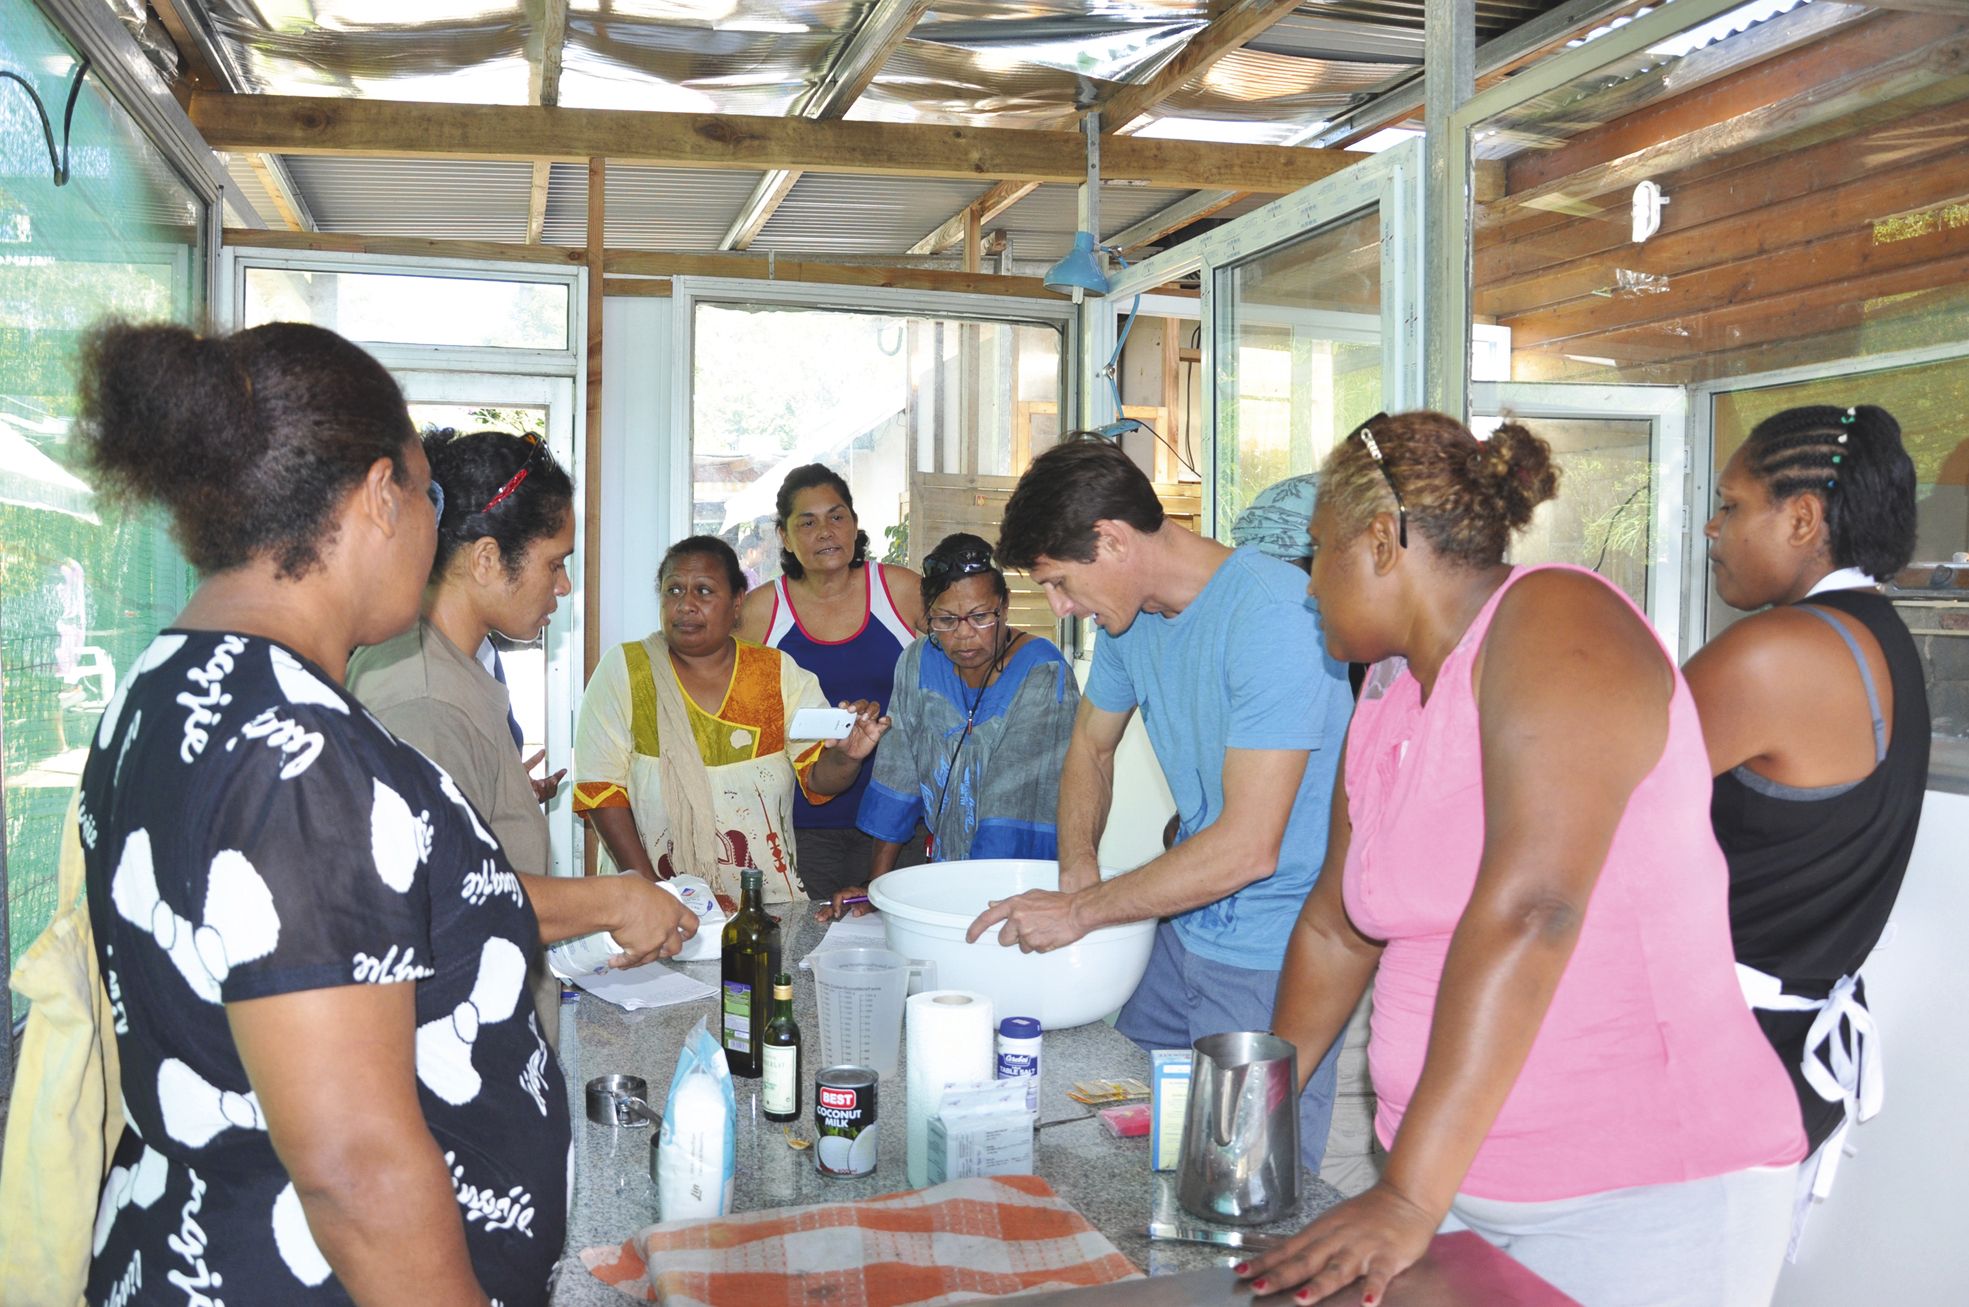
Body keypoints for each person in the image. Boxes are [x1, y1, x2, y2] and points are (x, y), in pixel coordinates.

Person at [72, 320, 697, 1306]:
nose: (431, 526)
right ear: (377, 495)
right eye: (427, 492)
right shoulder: (296, 751)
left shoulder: (168, 682)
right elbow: (354, 1164)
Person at [1244, 411, 1805, 1307]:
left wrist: (1404, 1193)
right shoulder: (1390, 690)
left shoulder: (1554, 619)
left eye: (1318, 552)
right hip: (1458, 1187)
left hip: (1640, 1194)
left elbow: (1536, 905)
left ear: (1382, 541)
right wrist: (1251, 1114)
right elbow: (1336, 925)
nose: (1308, 585)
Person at [970, 436, 1357, 1175]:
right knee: (1107, 1137)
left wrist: (1081, 914)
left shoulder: (1273, 618)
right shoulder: (1131, 617)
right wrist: (1077, 873)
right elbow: (1089, 746)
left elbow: (1248, 847)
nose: (1059, 607)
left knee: (1243, 1185)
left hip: (1274, 954)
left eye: (1058, 582)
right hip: (1182, 928)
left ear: (1112, 540)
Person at [1684, 404, 1928, 1239]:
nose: (1711, 529)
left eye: (1730, 505)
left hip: (1712, 1075)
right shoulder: (1885, 637)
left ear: (1800, 516)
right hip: (1790, 1065)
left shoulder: (1775, 653)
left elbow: (1581, 802)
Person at [349, 427, 577, 1047]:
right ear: (485, 561)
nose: (564, 588)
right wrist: (617, 901)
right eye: (554, 564)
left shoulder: (451, 666)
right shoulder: (423, 697)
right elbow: (445, 898)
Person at [576, 535, 888, 907]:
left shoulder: (776, 673)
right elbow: (601, 790)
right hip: (647, 900)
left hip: (763, 901)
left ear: (737, 601)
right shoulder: (625, 670)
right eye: (673, 590)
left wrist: (847, 757)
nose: (686, 605)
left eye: (704, 591)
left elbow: (820, 781)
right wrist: (655, 893)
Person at [820, 533, 1081, 921]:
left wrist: (960, 905)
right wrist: (877, 887)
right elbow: (898, 775)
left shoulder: (1042, 673)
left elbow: (1011, 806)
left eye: (980, 617)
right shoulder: (917, 662)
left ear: (1005, 608)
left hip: (1019, 893)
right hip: (948, 882)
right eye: (944, 620)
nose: (962, 635)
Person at [736, 464, 927, 899]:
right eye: (807, 522)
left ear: (855, 525)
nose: (825, 531)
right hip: (799, 826)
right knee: (803, 947)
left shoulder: (899, 590)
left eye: (836, 517)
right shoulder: (760, 611)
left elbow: (963, 652)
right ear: (784, 536)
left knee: (894, 951)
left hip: (897, 822)